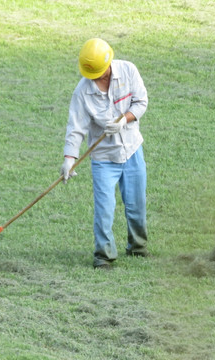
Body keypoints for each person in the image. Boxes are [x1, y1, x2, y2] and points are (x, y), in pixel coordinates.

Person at [60, 38, 149, 270]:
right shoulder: (82, 92)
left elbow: (141, 102)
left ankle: (137, 246)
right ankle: (104, 256)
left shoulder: (128, 71)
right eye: (93, 76)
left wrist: (123, 120)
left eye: (100, 74)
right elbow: (76, 128)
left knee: (136, 205)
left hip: (132, 151)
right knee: (104, 210)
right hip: (103, 158)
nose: (98, 79)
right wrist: (69, 159)